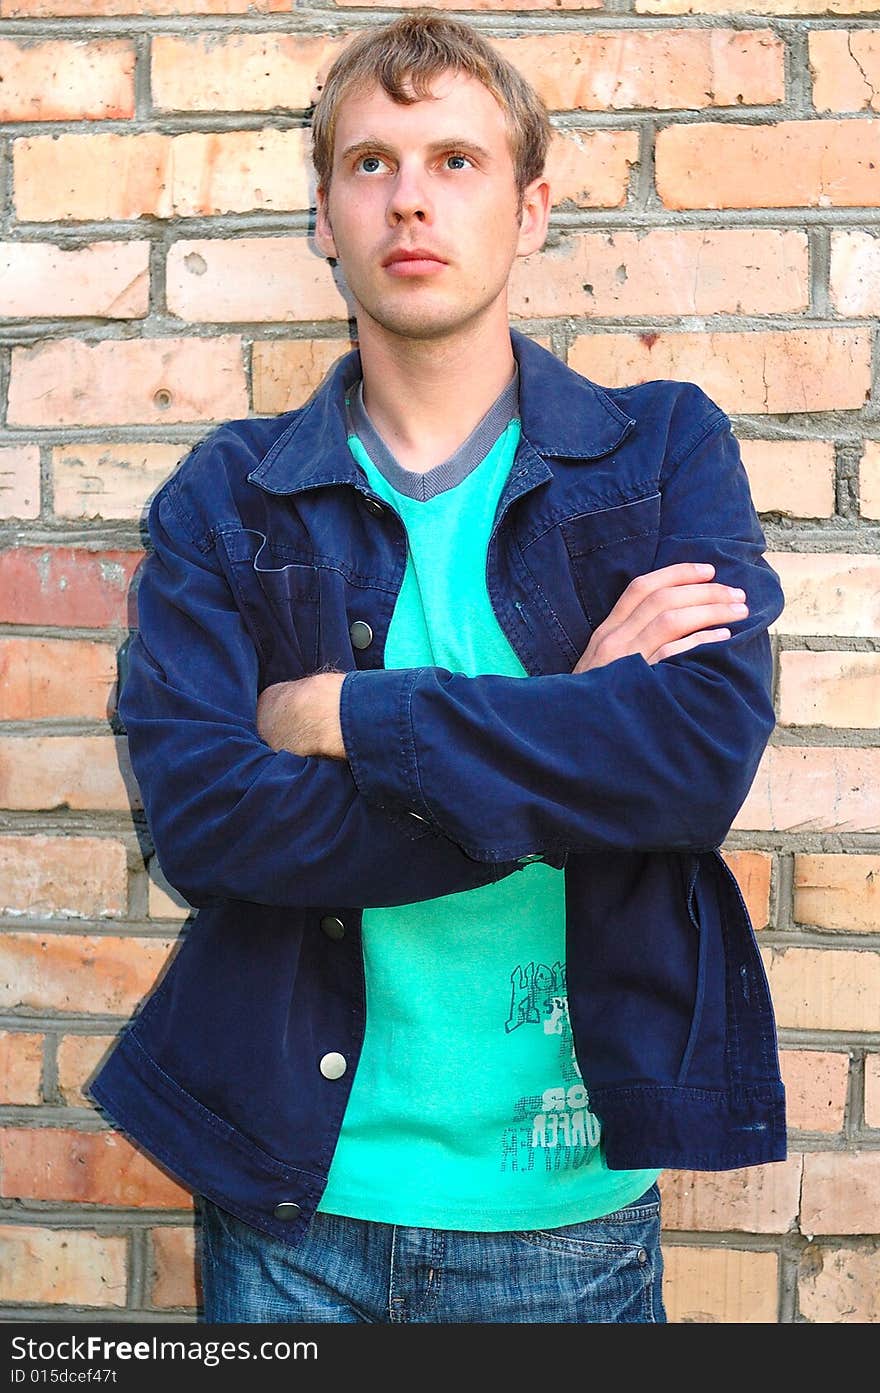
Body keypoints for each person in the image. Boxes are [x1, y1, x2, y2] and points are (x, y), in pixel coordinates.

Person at [89, 11, 786, 1325]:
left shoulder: (660, 456)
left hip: (566, 1210)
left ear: (530, 210)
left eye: (456, 160)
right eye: (371, 164)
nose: (411, 197)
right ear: (323, 218)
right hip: (293, 1205)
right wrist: (575, 734)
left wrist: (345, 712)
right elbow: (205, 819)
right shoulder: (228, 498)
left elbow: (692, 765)